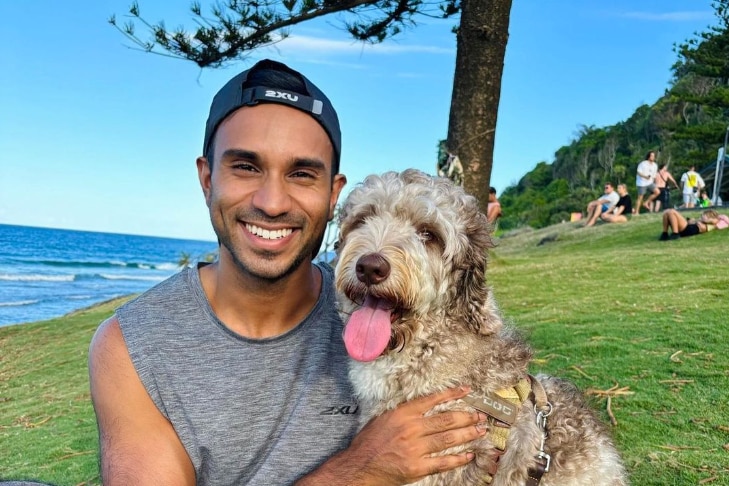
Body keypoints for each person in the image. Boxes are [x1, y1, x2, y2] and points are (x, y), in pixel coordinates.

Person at [87, 60, 488, 486]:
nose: (273, 202)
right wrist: (360, 471)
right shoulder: (134, 347)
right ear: (207, 179)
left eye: (301, 174)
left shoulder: (408, 321)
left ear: (334, 194)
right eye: (246, 167)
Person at [659, 209, 729, 240]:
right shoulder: (705, 222)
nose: (702, 216)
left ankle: (675, 234)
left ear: (709, 215)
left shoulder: (716, 220)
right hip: (689, 228)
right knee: (667, 212)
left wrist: (699, 220)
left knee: (672, 211)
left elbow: (712, 220)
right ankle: (665, 234)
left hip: (691, 229)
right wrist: (694, 220)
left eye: (704, 215)